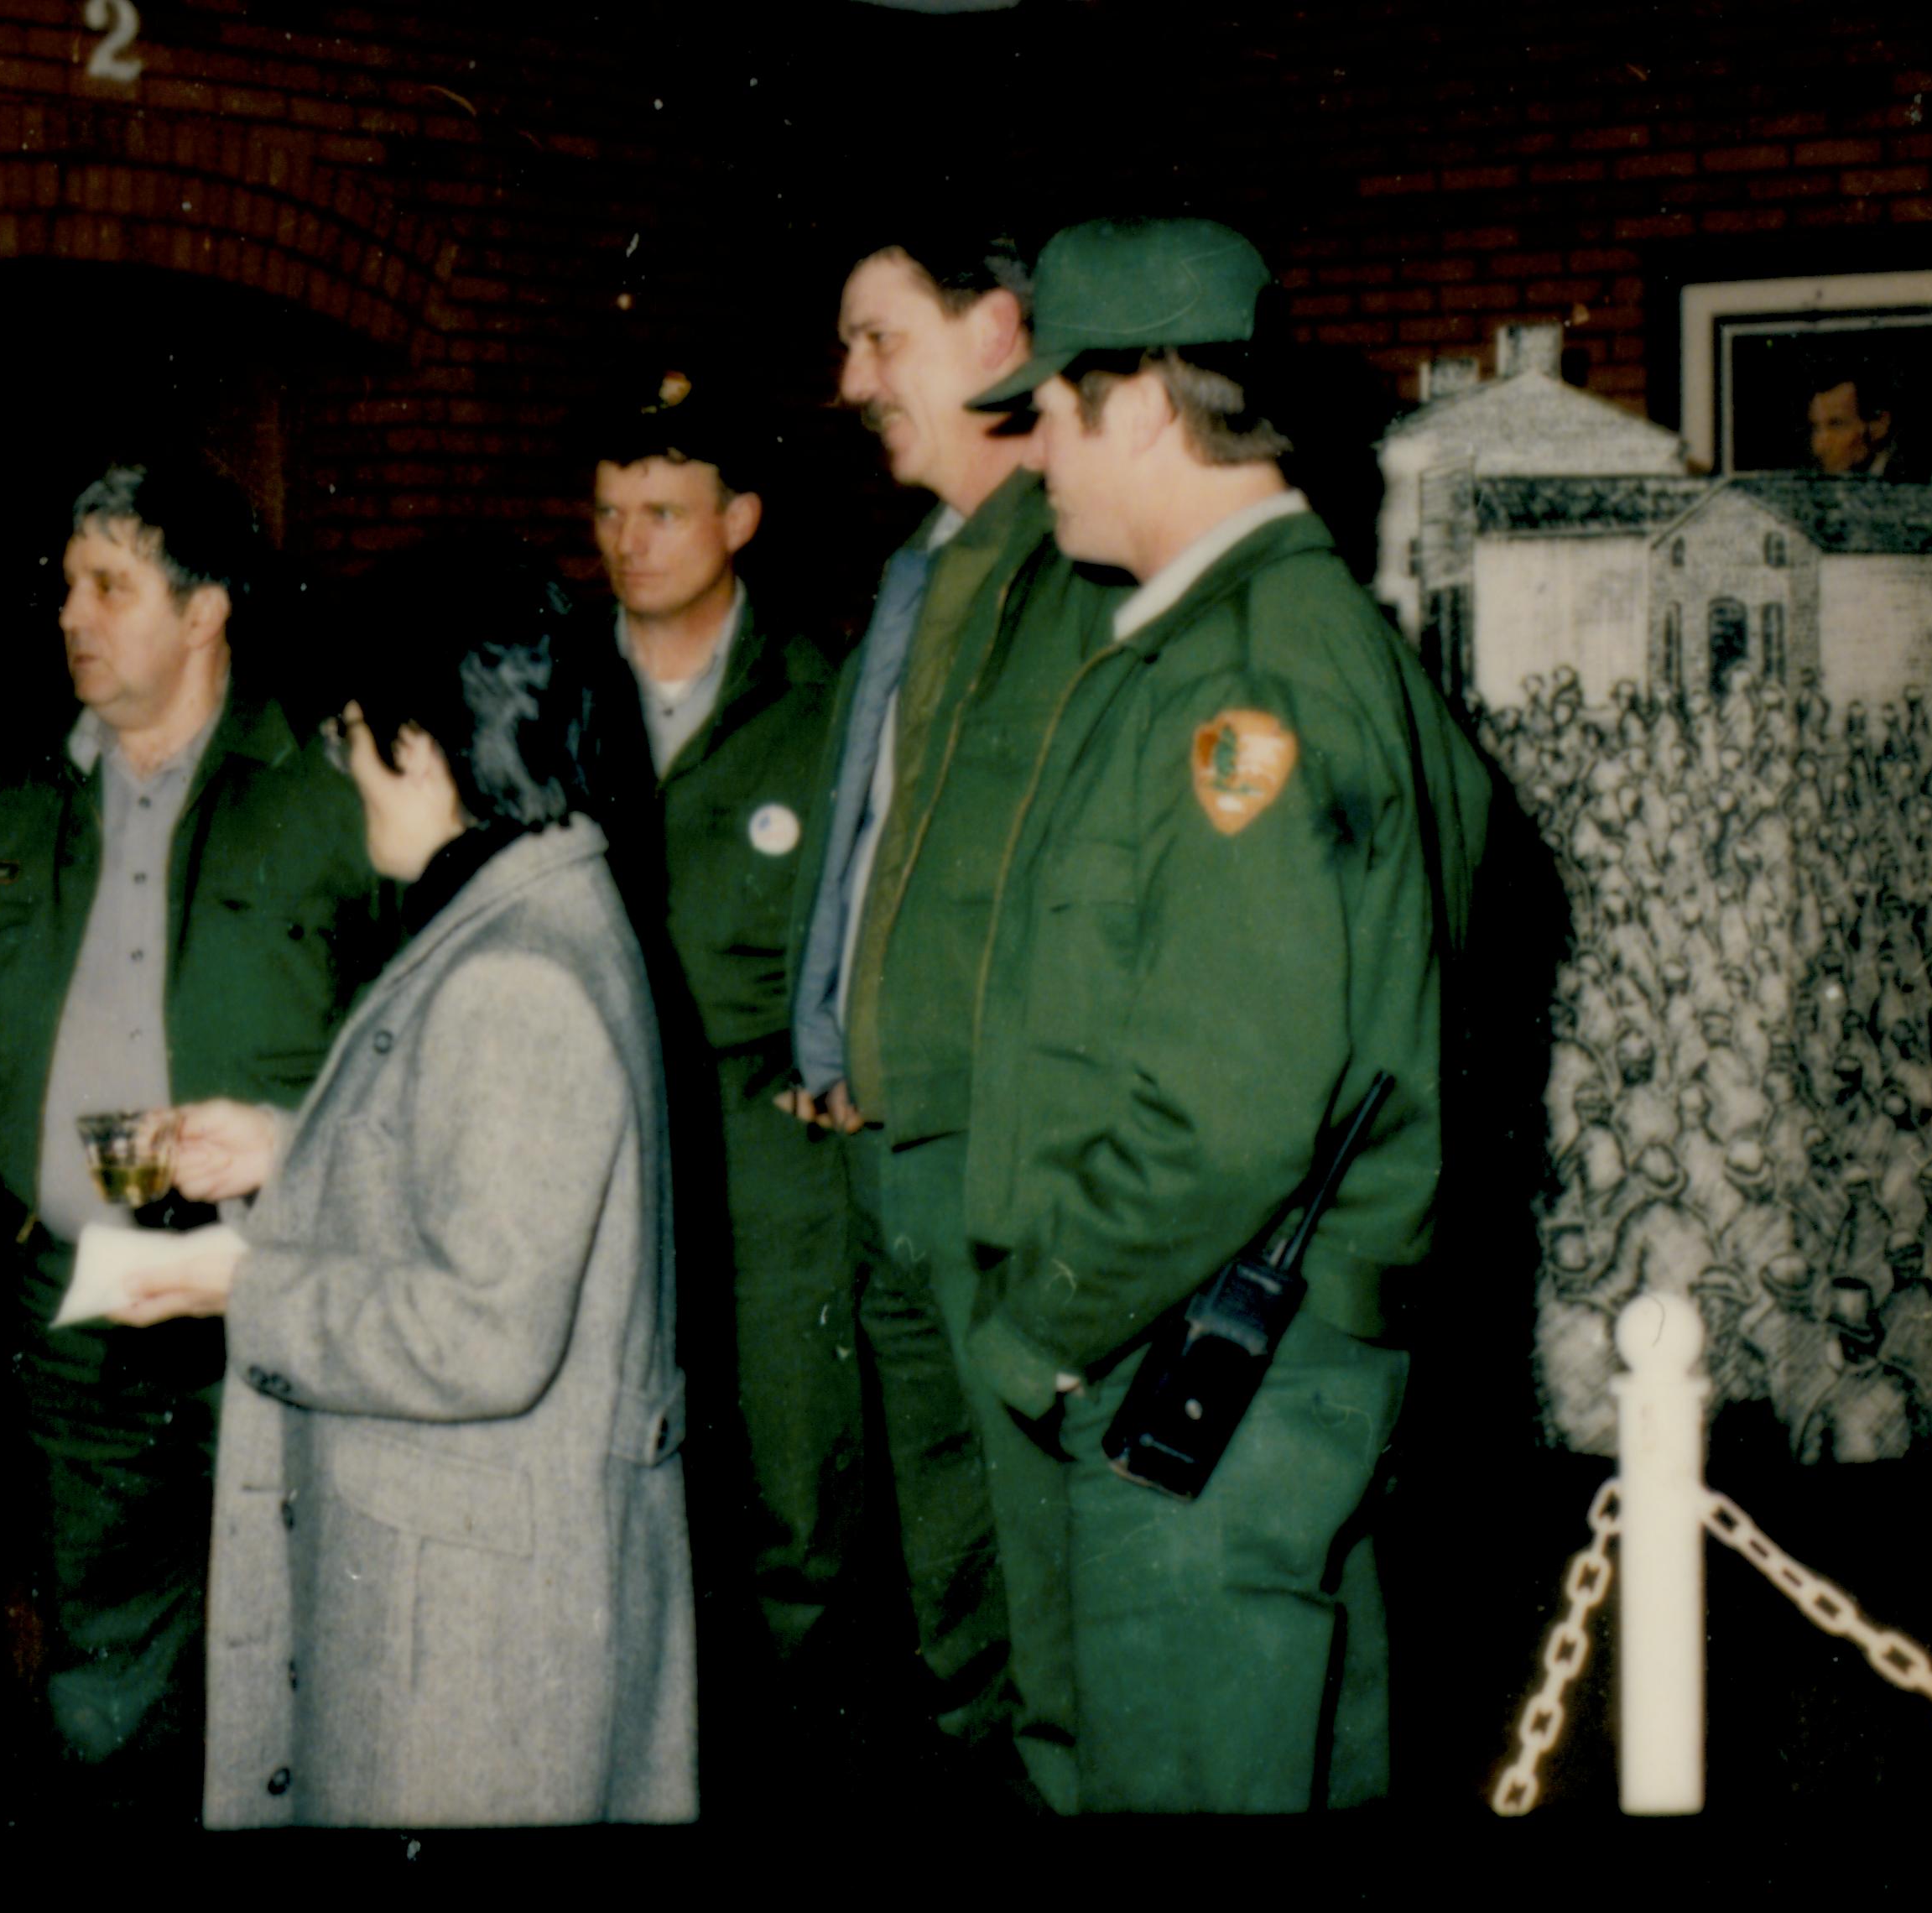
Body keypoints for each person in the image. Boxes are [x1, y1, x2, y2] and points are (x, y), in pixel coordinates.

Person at [957, 215, 1493, 1812]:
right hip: (1281, 1356)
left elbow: (1230, 1113)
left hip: (1195, 1350)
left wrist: (1044, 1321)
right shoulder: (1322, 644)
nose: (1036, 451)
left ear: (1138, 405)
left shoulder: (1238, 681)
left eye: (1050, 409)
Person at [113, 544, 696, 1826]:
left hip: (469, 1641)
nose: (346, 773)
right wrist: (285, 1148)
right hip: (476, 1586)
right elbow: (484, 1171)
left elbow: (482, 1331)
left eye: (354, 737)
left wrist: (242, 1284)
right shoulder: (531, 905)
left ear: (426, 747)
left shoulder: (518, 975)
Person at [0, 459, 391, 1820]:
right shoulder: (2, 791)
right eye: (68, 583)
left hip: (273, 1284)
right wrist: (10, 1142)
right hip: (80, 1293)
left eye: (110, 584)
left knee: (300, 1627)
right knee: (105, 1652)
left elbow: (408, 1013)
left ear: (206, 609)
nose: (73, 612)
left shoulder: (325, 788)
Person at [786, 227, 1117, 1803]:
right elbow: (876, 843)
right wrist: (825, 1041)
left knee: (1042, 1605)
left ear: (997, 332)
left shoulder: (1070, 569)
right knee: (953, 1603)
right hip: (879, 1150)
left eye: (877, 339)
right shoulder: (924, 565)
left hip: (989, 1163)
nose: (851, 382)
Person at [585, 369, 859, 1794]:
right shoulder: (558, 697)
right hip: (590, 1146)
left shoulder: (823, 705)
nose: (632, 542)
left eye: (666, 512)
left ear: (740, 520)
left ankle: (789, 1790)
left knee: (791, 1516)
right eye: (612, 513)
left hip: (767, 1159)